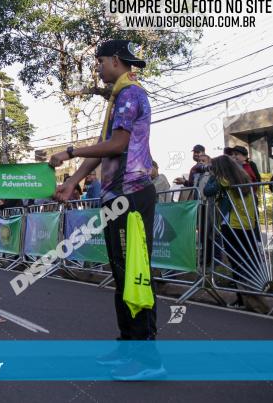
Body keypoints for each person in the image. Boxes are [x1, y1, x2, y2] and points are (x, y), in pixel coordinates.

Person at [49, 39, 163, 380]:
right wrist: (72, 182)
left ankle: (148, 359)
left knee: (134, 276)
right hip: (116, 196)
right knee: (121, 274)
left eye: (99, 62)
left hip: (132, 195)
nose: (97, 68)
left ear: (116, 60)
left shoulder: (131, 94)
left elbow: (119, 144)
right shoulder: (117, 97)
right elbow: (104, 152)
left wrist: (69, 151)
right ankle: (128, 344)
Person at [203, 155, 261, 309]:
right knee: (247, 261)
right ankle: (250, 297)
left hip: (232, 224)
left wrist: (213, 176)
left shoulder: (222, 181)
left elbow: (207, 191)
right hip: (247, 224)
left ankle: (243, 300)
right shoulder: (243, 178)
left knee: (236, 262)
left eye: (213, 167)